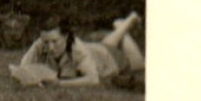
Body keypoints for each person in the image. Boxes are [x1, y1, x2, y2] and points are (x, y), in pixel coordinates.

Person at [14, 12, 145, 89]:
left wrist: (59, 83)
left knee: (139, 64)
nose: (50, 47)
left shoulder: (77, 50)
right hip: (95, 50)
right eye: (46, 42)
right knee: (104, 45)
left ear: (65, 37)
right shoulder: (42, 41)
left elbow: (93, 79)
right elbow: (23, 67)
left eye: (55, 41)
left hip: (109, 59)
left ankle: (125, 25)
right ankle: (121, 25)